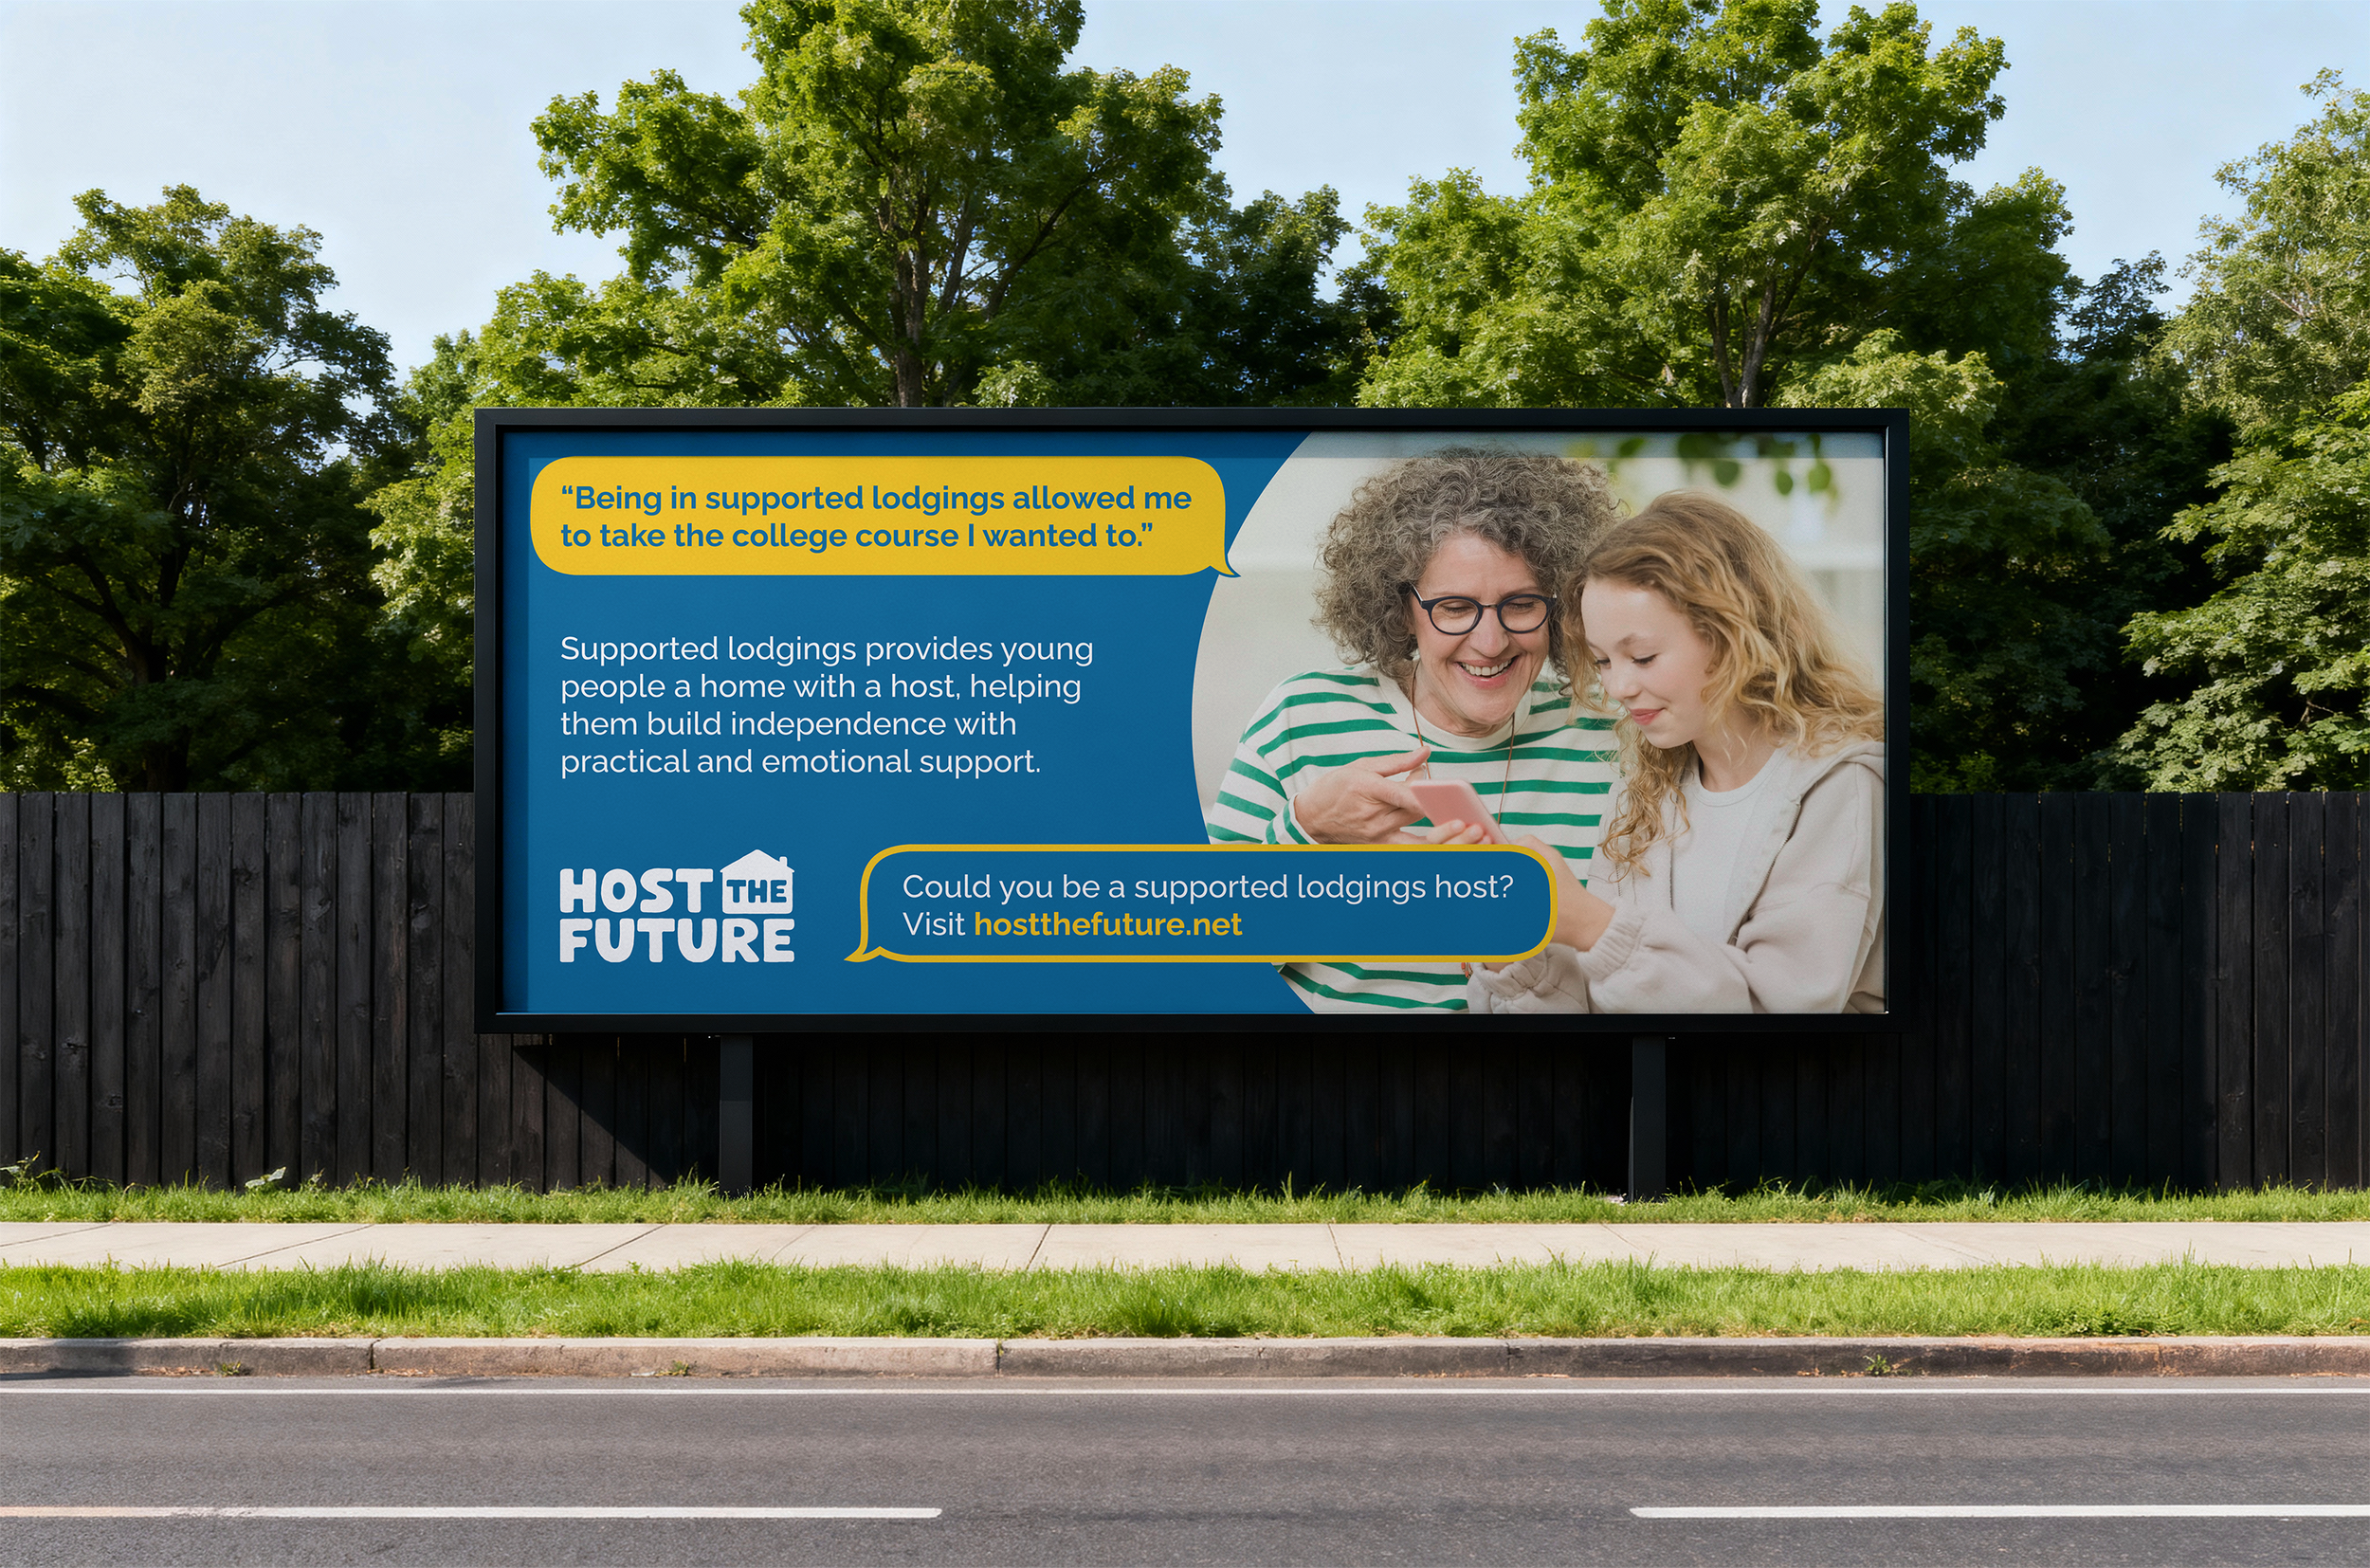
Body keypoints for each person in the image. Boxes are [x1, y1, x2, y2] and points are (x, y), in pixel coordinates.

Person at [1206, 447, 1624, 1012]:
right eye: (1454, 607)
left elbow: (1636, 970)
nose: (1490, 642)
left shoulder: (1608, 739)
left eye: (1521, 604)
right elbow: (1204, 953)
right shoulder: (1304, 714)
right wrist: (1307, 831)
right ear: (1403, 610)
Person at [1465, 490, 1885, 1014]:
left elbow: (1784, 1008)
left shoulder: (1841, 785)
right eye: (1602, 661)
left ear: (1733, 636)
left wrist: (1592, 925)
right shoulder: (1642, 792)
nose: (1618, 686)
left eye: (1642, 657)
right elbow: (1597, 1006)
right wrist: (1520, 937)